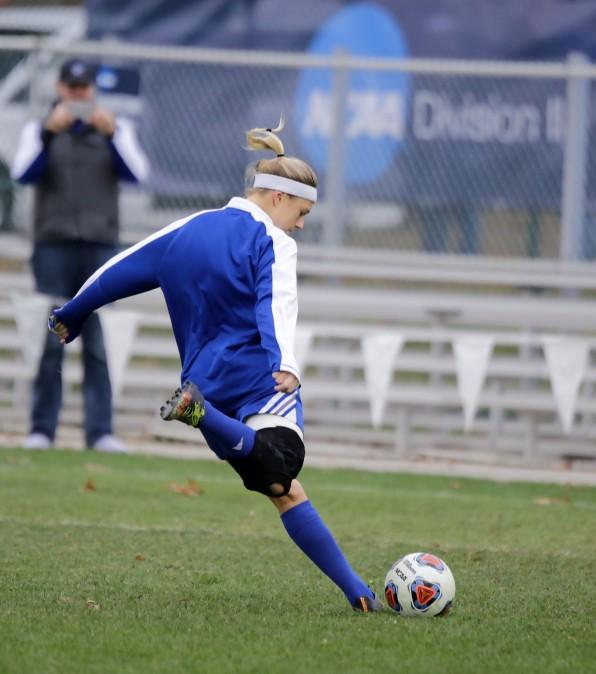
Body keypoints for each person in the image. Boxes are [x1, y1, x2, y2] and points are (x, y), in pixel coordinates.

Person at [46, 120, 381, 613]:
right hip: (258, 379)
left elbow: (122, 268)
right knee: (282, 464)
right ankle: (357, 589)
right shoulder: (273, 240)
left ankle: (359, 592)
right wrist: (285, 361)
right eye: (302, 212)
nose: (301, 225)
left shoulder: (190, 227)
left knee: (279, 487)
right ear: (276, 198)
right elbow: (277, 300)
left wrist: (72, 312)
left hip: (204, 386)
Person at [11, 57, 149, 453]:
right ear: (59, 89)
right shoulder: (38, 130)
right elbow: (23, 174)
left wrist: (113, 134)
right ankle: (42, 428)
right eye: (71, 89)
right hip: (52, 245)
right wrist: (46, 134)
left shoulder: (116, 128)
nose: (77, 96)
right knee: (50, 338)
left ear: (93, 91)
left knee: (99, 341)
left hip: (100, 247)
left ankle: (100, 430)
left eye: (83, 89)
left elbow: (137, 174)